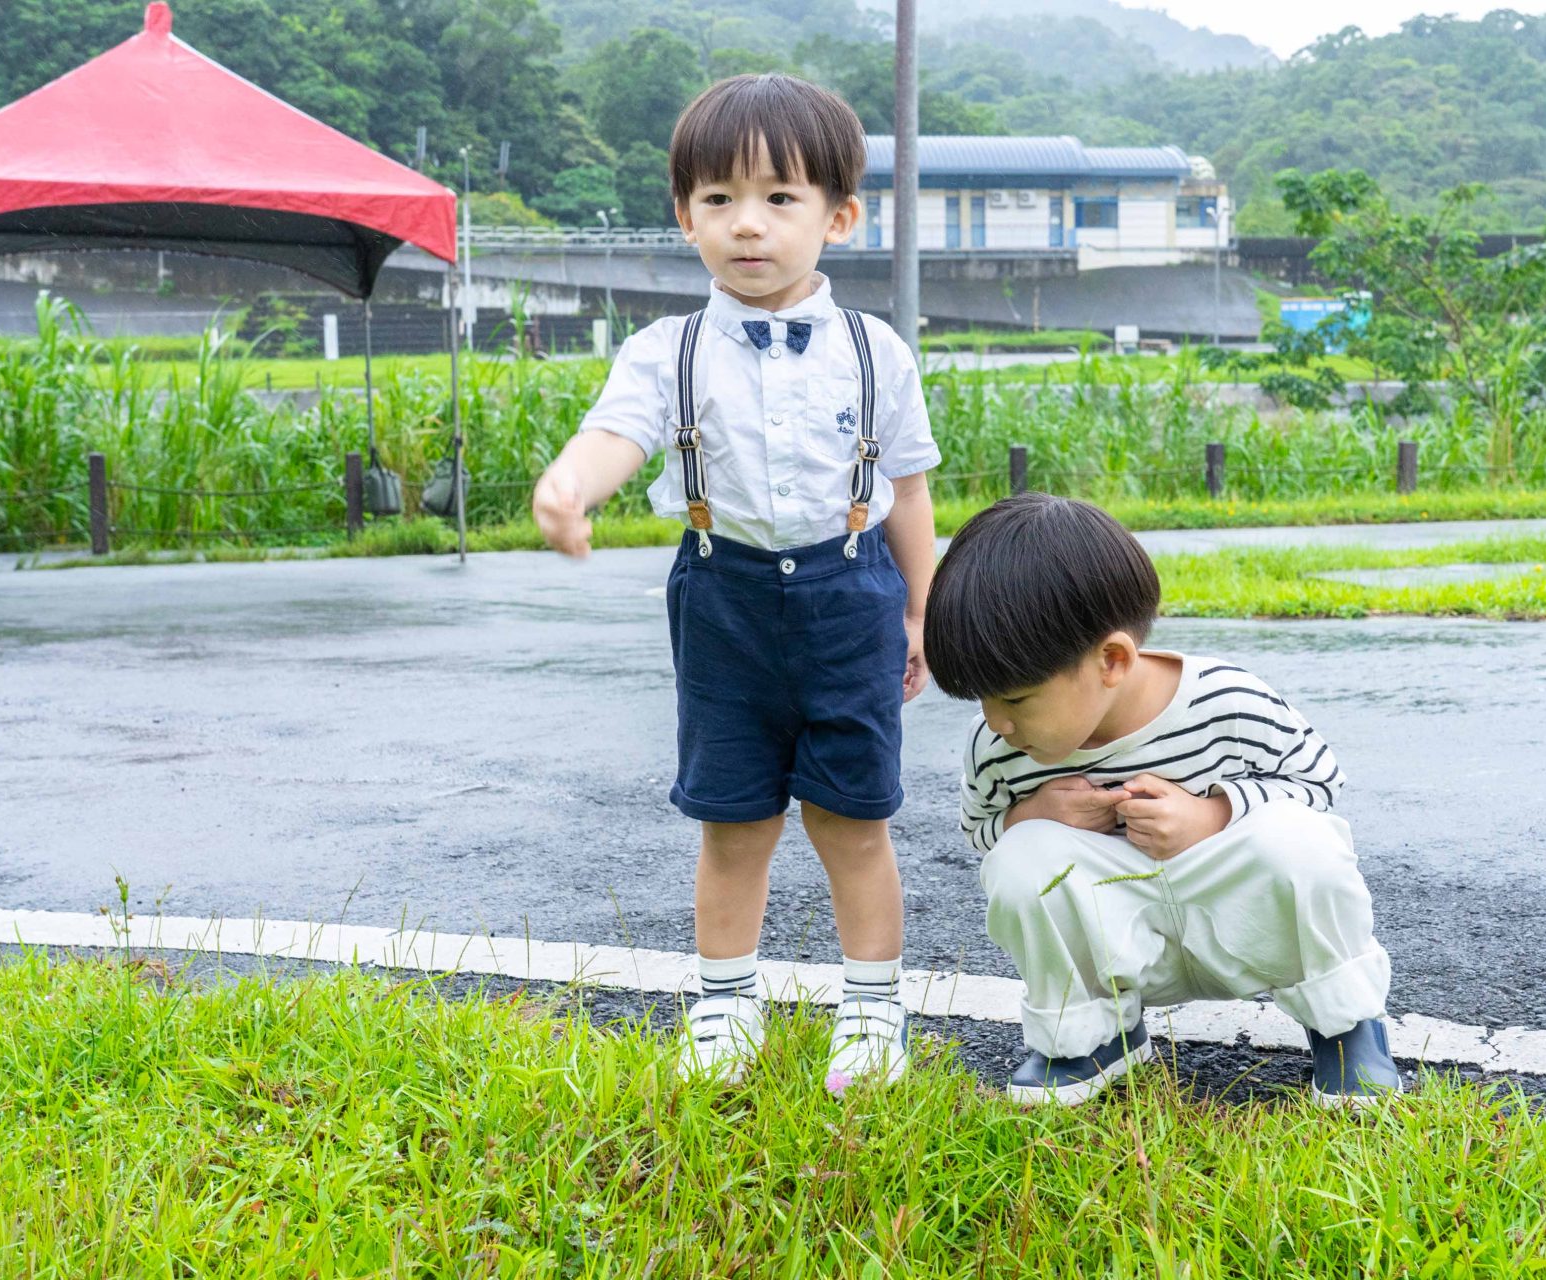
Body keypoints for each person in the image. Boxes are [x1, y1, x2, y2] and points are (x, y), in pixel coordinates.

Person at [530, 75, 940, 1092]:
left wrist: (926, 607)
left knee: (854, 816)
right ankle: (723, 1001)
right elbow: (613, 433)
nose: (746, 224)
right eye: (718, 199)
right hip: (722, 596)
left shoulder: (870, 348)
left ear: (839, 217)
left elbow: (909, 488)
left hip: (852, 593)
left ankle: (873, 1005)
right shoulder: (664, 349)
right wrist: (569, 483)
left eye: (779, 198)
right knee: (733, 814)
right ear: (685, 215)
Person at [922, 494, 1401, 1107]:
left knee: (1304, 842)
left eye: (1014, 700)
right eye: (982, 701)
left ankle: (1345, 1026)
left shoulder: (1224, 701)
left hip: (1235, 921)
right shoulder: (1000, 745)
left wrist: (1214, 814)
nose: (998, 723)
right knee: (1020, 860)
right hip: (1122, 933)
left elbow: (1316, 782)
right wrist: (1032, 814)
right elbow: (983, 830)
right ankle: (1090, 1038)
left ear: (1112, 660)